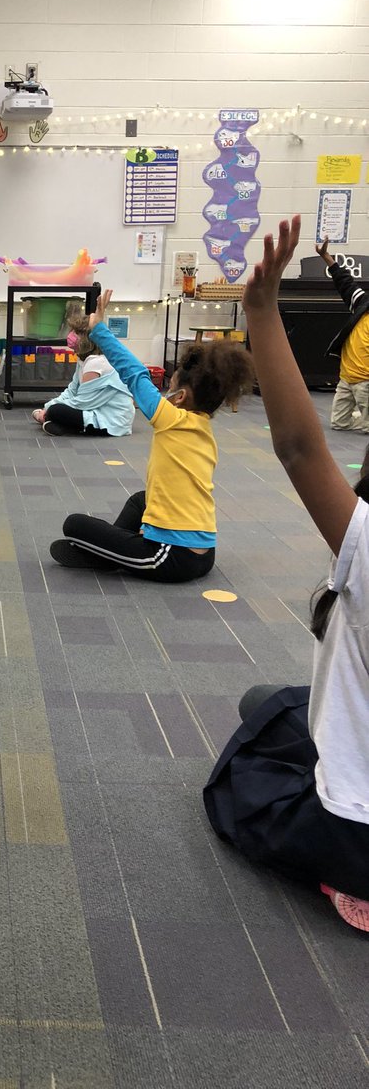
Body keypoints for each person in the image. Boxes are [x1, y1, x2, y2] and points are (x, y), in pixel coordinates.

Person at [204, 215, 369, 934]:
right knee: (270, 702)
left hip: (355, 830)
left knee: (239, 776)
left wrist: (262, 310)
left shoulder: (366, 545)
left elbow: (300, 447)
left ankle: (345, 882)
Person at [50, 288, 253, 583]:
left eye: (169, 386)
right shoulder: (203, 427)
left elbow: (134, 374)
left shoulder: (172, 419)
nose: (164, 392)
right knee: (140, 501)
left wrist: (100, 331)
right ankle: (111, 549)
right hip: (203, 552)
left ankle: (109, 554)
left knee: (74, 524)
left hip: (169, 556)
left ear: (179, 397)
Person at [30, 316, 135, 437]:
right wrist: (47, 406)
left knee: (56, 411)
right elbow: (71, 390)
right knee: (55, 410)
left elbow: (83, 402)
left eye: (77, 332)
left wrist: (48, 410)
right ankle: (62, 425)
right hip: (96, 408)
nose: (71, 335)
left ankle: (65, 425)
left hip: (111, 419)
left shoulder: (96, 363)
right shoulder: (84, 360)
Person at [320, 238, 369, 434]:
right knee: (338, 424)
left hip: (365, 381)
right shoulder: (362, 305)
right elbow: (345, 282)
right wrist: (326, 258)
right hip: (346, 378)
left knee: (367, 429)